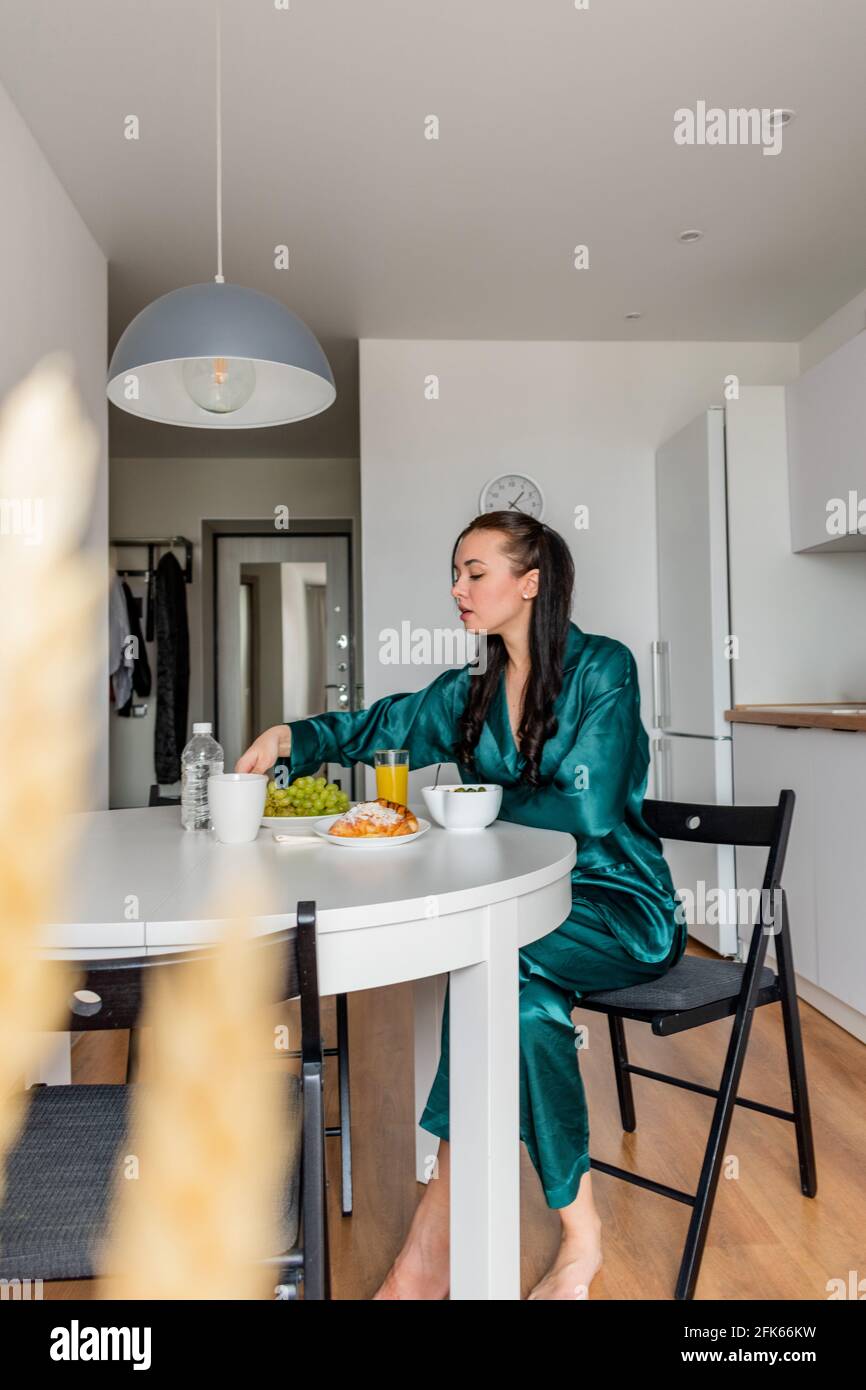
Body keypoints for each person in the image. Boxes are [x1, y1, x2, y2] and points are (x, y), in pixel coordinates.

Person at [236, 510, 686, 1300]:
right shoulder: (472, 693)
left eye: (475, 572)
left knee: (486, 957)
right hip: (527, 918)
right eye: (455, 573)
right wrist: (288, 737)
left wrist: (481, 803)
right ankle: (578, 1238)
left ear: (531, 582)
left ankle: (430, 1247)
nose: (458, 588)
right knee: (513, 1001)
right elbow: (387, 724)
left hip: (619, 908)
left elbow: (590, 810)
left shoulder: (602, 669)